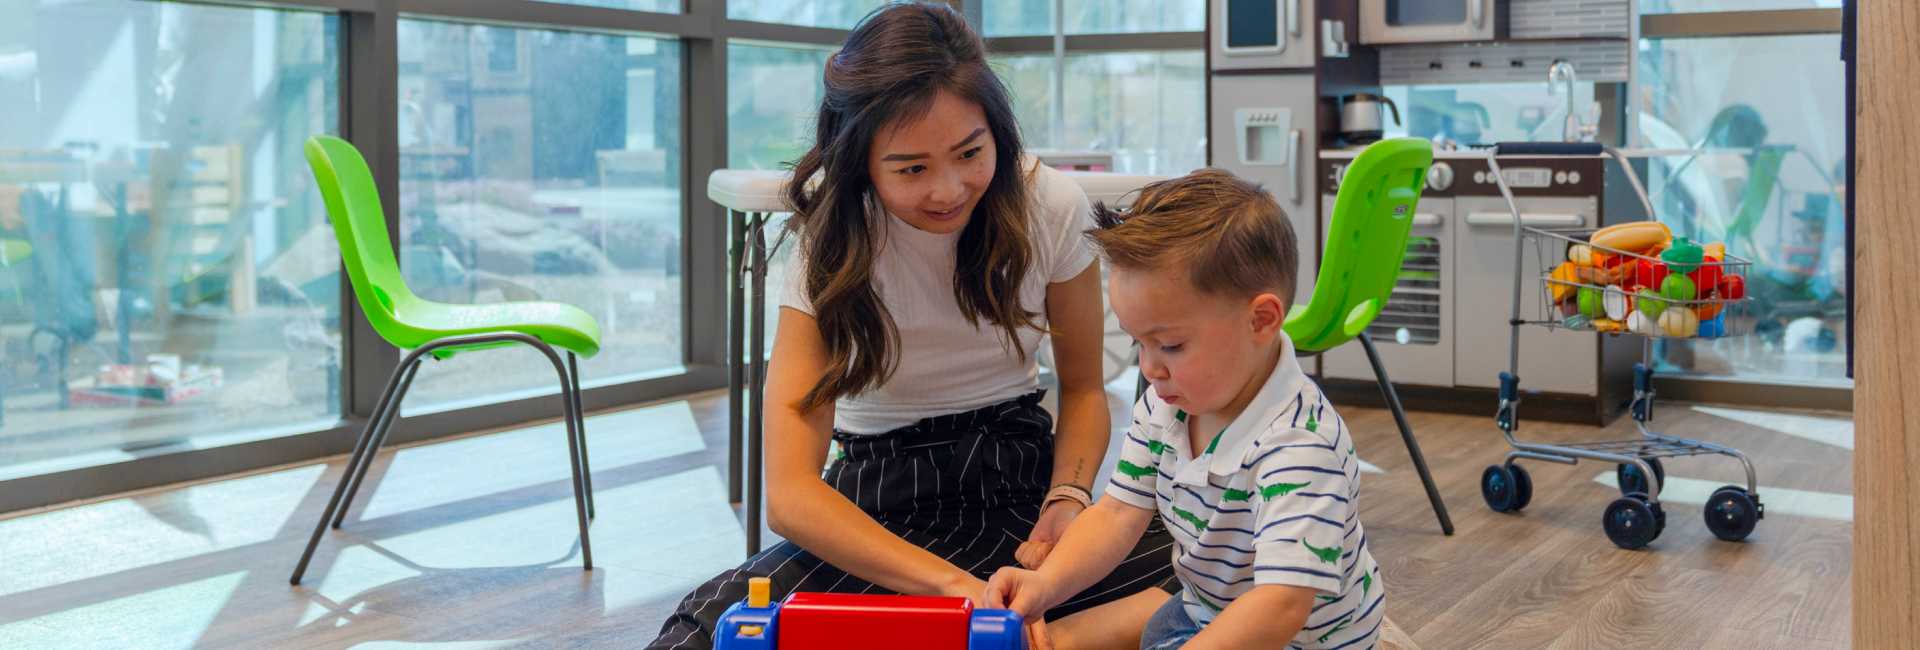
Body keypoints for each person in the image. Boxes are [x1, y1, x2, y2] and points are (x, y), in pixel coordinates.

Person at [646, 4, 1176, 648]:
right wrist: (958, 592)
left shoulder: (1049, 205)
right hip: (880, 498)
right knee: (704, 628)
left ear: (996, 133)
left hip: (1019, 474)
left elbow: (1087, 391)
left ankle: (1047, 640)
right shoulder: (834, 237)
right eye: (911, 168)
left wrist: (1067, 499)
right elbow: (788, 494)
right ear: (860, 161)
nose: (949, 190)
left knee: (1221, 573)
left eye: (969, 153)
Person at [984, 170, 1384, 649]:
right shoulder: (1167, 405)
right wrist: (1046, 585)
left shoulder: (1299, 447)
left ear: (1260, 319)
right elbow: (1115, 514)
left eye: (1171, 345)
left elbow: (1281, 604)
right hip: (1204, 607)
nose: (1149, 369)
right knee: (1157, 629)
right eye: (1139, 343)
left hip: (1297, 639)